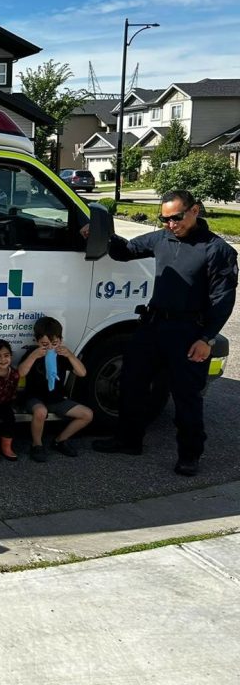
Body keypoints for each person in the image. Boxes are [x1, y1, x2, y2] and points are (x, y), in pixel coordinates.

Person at [90, 190, 237, 475]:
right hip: (153, 326)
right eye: (165, 218)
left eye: (176, 217)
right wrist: (102, 234)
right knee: (132, 382)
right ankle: (129, 440)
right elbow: (126, 252)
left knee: (186, 396)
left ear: (195, 210)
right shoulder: (162, 238)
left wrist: (206, 338)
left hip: (188, 332)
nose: (171, 224)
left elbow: (222, 300)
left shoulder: (217, 250)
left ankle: (190, 454)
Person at [17, 317, 92, 463]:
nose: (50, 347)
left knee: (87, 414)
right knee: (41, 412)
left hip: (56, 398)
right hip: (34, 398)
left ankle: (60, 440)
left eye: (54, 343)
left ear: (60, 340)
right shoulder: (33, 353)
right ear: (37, 341)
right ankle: (37, 444)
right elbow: (20, 373)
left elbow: (82, 372)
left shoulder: (62, 356)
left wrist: (70, 355)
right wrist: (33, 356)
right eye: (45, 344)